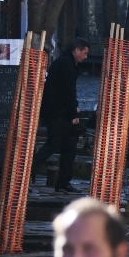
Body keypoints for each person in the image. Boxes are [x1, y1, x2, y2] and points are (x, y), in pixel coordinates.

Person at [36, 38, 90, 193]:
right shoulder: (67, 65)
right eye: (84, 53)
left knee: (68, 146)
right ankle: (31, 169)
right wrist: (73, 112)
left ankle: (63, 182)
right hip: (59, 113)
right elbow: (68, 91)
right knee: (55, 145)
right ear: (77, 50)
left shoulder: (64, 62)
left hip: (57, 111)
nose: (85, 57)